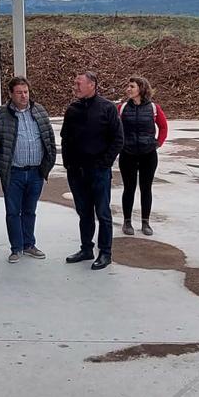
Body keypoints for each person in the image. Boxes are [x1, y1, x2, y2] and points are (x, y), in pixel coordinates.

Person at [61, 71, 124, 270]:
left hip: (98, 171)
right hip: (76, 171)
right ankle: (86, 249)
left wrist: (104, 163)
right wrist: (68, 164)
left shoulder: (107, 108)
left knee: (103, 213)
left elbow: (118, 139)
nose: (75, 86)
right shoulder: (73, 109)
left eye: (79, 83)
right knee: (84, 212)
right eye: (74, 82)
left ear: (92, 84)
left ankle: (105, 253)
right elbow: (65, 138)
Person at [0, 76, 57, 263]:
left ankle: (29, 244)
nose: (23, 96)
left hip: (36, 171)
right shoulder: (0, 114)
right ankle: (16, 248)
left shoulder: (39, 111)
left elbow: (49, 140)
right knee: (13, 212)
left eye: (26, 92)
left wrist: (47, 164)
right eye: (19, 92)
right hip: (14, 173)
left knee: (30, 210)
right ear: (10, 94)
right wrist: (0, 168)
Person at [117, 75, 168, 236]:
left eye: (132, 86)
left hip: (148, 155)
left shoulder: (153, 108)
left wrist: (157, 143)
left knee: (146, 189)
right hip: (128, 154)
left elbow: (163, 127)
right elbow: (115, 128)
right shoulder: (123, 107)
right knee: (129, 188)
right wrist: (120, 145)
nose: (128, 89)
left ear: (141, 88)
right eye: (128, 86)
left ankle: (145, 223)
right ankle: (127, 222)